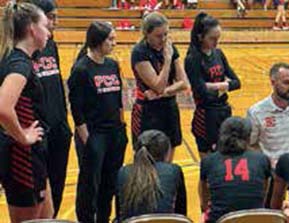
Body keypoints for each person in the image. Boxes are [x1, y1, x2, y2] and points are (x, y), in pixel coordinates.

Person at [68, 21, 128, 223]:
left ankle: (104, 218)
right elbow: (77, 110)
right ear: (98, 41)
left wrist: (122, 128)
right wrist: (87, 140)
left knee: (109, 182)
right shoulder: (82, 69)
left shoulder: (112, 64)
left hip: (114, 133)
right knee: (89, 184)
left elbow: (118, 99)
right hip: (95, 134)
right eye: (110, 39)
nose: (114, 43)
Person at [0, 2, 53, 222]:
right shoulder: (19, 63)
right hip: (22, 157)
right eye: (45, 25)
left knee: (47, 215)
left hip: (32, 155)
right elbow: (3, 108)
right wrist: (23, 136)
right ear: (32, 28)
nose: (49, 31)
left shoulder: (18, 59)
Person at [26, 0, 72, 217]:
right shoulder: (20, 54)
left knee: (58, 182)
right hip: (37, 129)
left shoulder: (50, 44)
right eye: (51, 17)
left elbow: (57, 83)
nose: (55, 22)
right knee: (40, 192)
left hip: (59, 126)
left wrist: (64, 121)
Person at [131, 12, 189, 160]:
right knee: (146, 157)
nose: (163, 40)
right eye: (158, 36)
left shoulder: (170, 47)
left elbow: (183, 83)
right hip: (147, 112)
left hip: (169, 108)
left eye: (166, 34)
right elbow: (158, 85)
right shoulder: (140, 52)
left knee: (169, 153)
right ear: (146, 34)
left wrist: (163, 93)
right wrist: (168, 60)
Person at [185, 13, 241, 159]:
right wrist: (224, 86)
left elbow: (237, 83)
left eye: (218, 38)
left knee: (226, 160)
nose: (216, 42)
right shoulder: (193, 59)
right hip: (205, 117)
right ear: (200, 37)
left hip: (224, 112)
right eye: (212, 38)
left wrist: (214, 86)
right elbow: (201, 91)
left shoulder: (219, 53)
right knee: (208, 166)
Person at [199, 117, 271, 223]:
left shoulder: (209, 160)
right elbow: (263, 194)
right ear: (249, 137)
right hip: (255, 220)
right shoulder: (261, 159)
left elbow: (204, 202)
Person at [116, 130, 187, 221]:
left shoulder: (123, 172)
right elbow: (181, 215)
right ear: (166, 154)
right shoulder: (173, 170)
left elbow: (120, 216)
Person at [247, 62, 289, 166]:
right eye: (286, 83)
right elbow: (251, 144)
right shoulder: (256, 112)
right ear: (273, 82)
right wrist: (265, 162)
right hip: (271, 169)